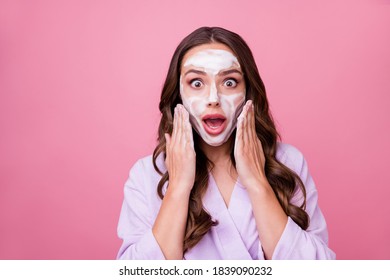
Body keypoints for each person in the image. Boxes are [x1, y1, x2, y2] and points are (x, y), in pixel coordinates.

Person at [116, 26, 336, 260]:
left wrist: (257, 182)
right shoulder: (147, 174)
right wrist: (178, 188)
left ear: (248, 92)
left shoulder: (288, 162)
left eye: (229, 82)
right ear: (178, 95)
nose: (213, 99)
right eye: (197, 83)